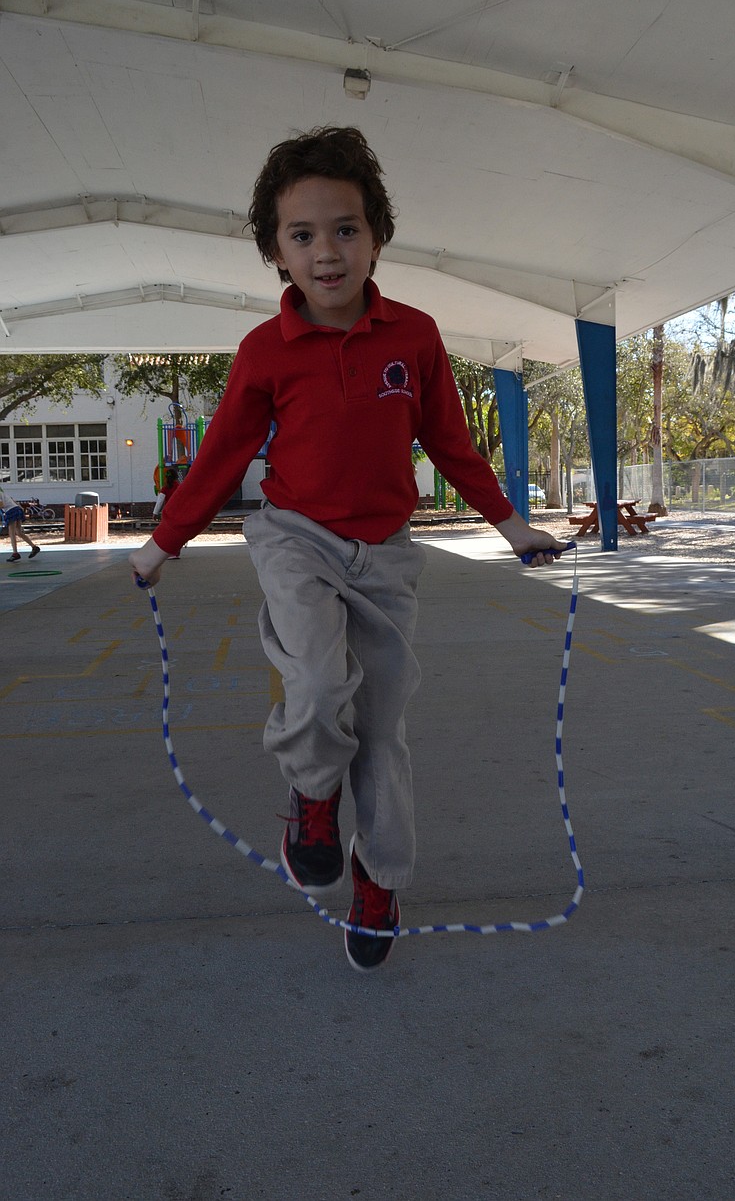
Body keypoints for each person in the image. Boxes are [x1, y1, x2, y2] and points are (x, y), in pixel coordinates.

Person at [130, 126, 567, 972]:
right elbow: (221, 454)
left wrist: (511, 524)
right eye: (302, 235)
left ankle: (380, 877)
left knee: (382, 729)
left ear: (376, 237)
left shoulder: (415, 336)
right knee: (319, 679)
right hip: (296, 537)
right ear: (276, 252)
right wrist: (161, 542)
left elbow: (451, 443)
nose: (326, 252)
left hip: (386, 554)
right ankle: (312, 794)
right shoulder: (265, 351)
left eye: (345, 229)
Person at [1, 488, 41, 561]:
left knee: (12, 533)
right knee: (19, 532)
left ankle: (15, 553)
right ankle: (34, 547)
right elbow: (12, 500)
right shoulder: (3, 494)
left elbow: (1, 504)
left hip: (11, 511)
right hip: (17, 509)